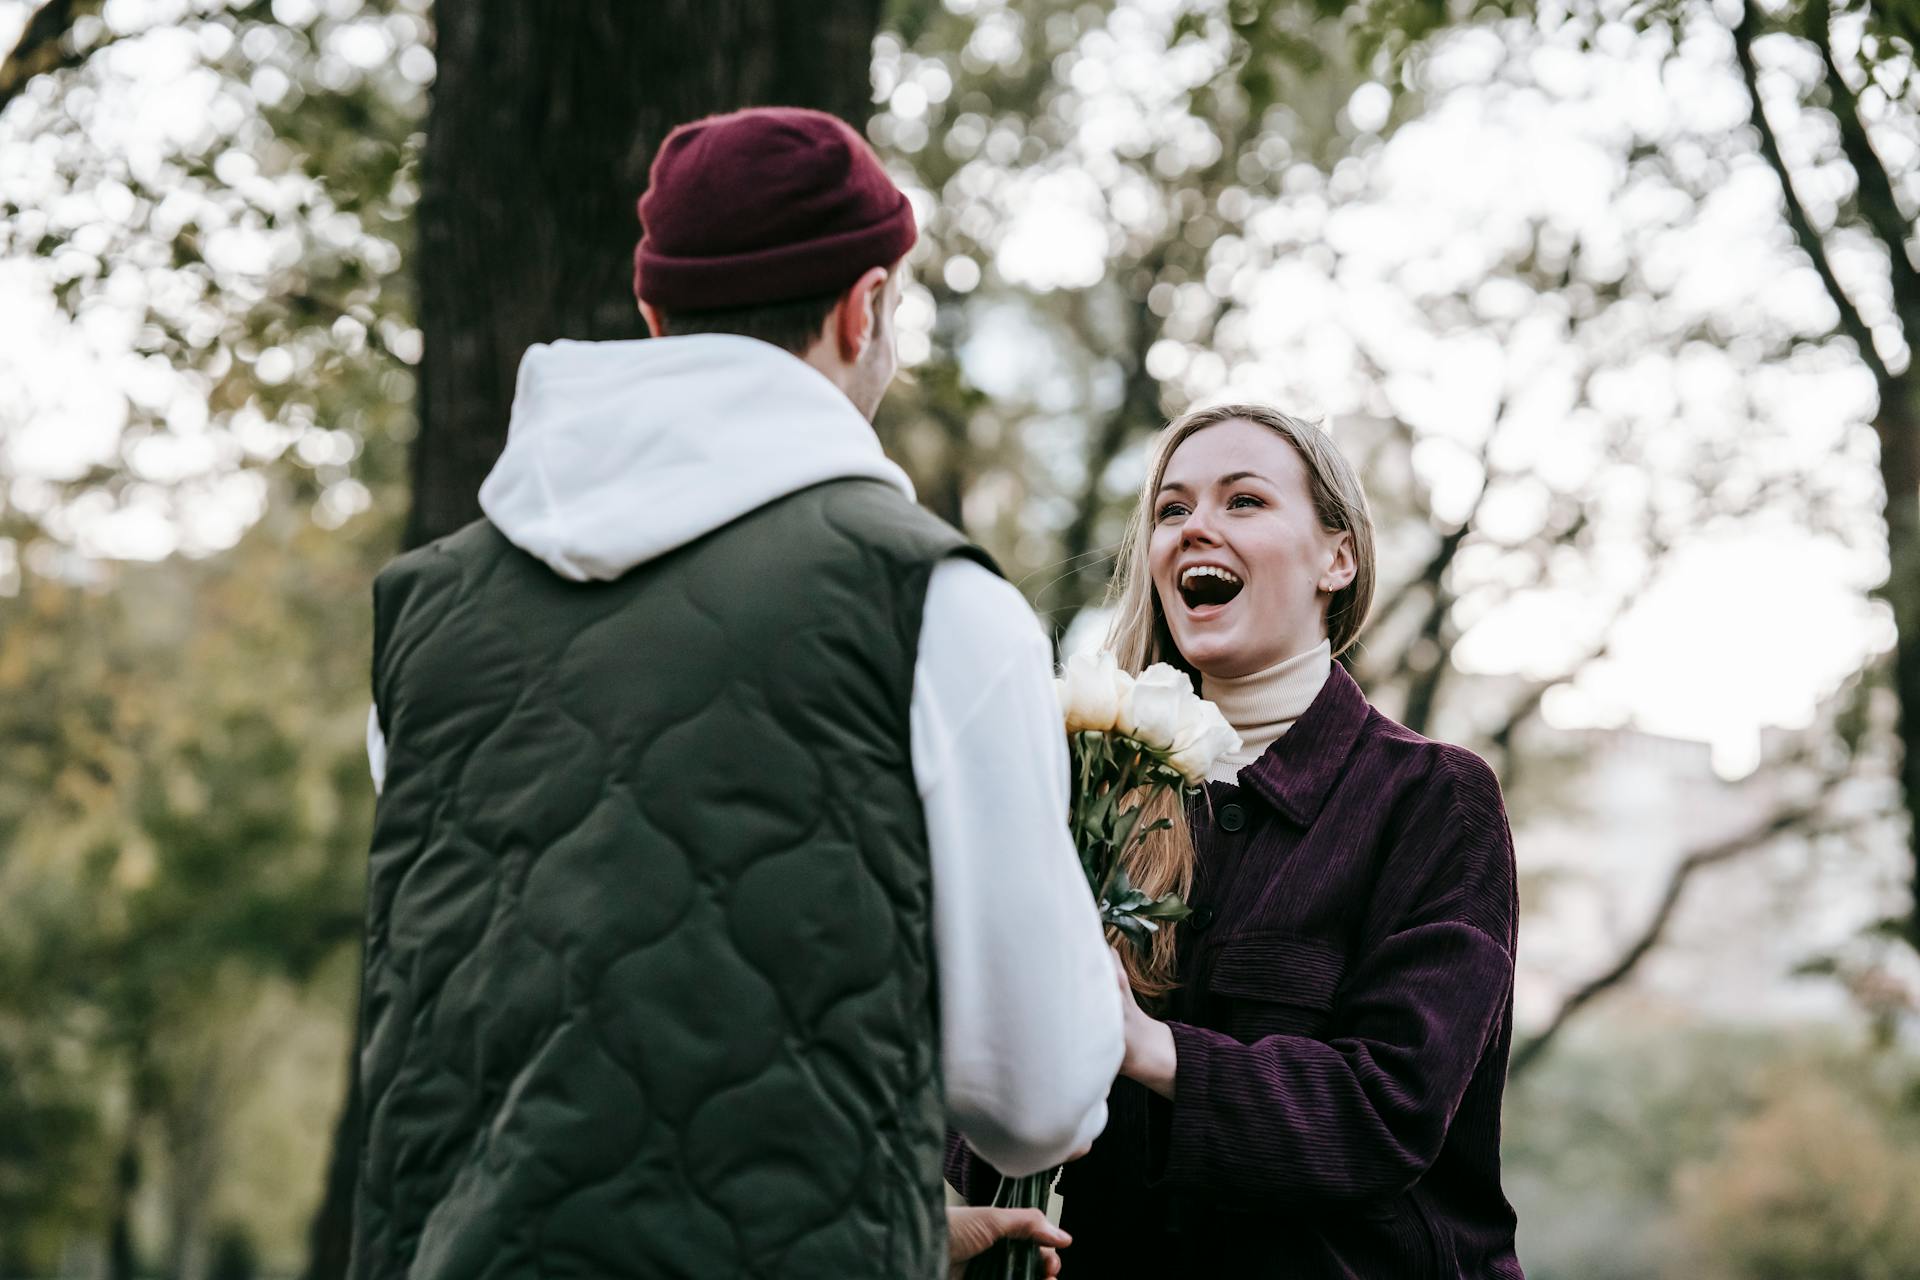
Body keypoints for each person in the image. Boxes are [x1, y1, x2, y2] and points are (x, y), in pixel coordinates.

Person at [352, 107, 1121, 1280]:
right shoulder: (937, 606)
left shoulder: (425, 619)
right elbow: (1040, 1089)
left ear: (656, 313)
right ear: (864, 309)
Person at [948, 403, 1524, 1277]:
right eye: (1171, 510)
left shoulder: (1433, 800)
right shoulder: (1077, 781)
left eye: (1243, 501)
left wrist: (1144, 1045)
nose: (1195, 529)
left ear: (1339, 556)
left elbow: (1390, 1110)